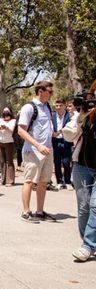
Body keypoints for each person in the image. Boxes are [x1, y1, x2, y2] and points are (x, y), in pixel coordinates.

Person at [62, 79, 96, 261]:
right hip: (82, 166)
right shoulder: (86, 114)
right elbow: (67, 135)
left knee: (95, 206)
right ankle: (88, 243)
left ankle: (88, 245)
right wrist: (82, 114)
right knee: (83, 208)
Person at [17, 80, 57, 223]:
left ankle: (39, 212)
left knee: (43, 182)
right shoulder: (29, 107)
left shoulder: (47, 107)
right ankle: (26, 212)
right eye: (49, 92)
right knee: (29, 181)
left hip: (48, 150)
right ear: (40, 91)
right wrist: (38, 145)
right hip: (33, 151)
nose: (51, 94)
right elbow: (21, 130)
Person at [0, 107, 16, 186]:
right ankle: (2, 180)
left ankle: (10, 181)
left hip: (10, 143)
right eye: (4, 111)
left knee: (9, 161)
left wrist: (7, 128)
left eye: (7, 111)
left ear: (10, 112)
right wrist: (0, 128)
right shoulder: (0, 120)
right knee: (2, 161)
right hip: (0, 143)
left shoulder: (13, 121)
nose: (6, 113)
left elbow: (13, 130)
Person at [52, 99, 73, 190]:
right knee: (57, 162)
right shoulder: (52, 116)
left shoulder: (69, 116)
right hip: (55, 141)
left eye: (60, 105)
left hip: (66, 141)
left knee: (66, 162)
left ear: (65, 106)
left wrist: (61, 131)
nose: (58, 107)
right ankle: (59, 181)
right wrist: (52, 133)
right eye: (57, 105)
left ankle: (67, 182)